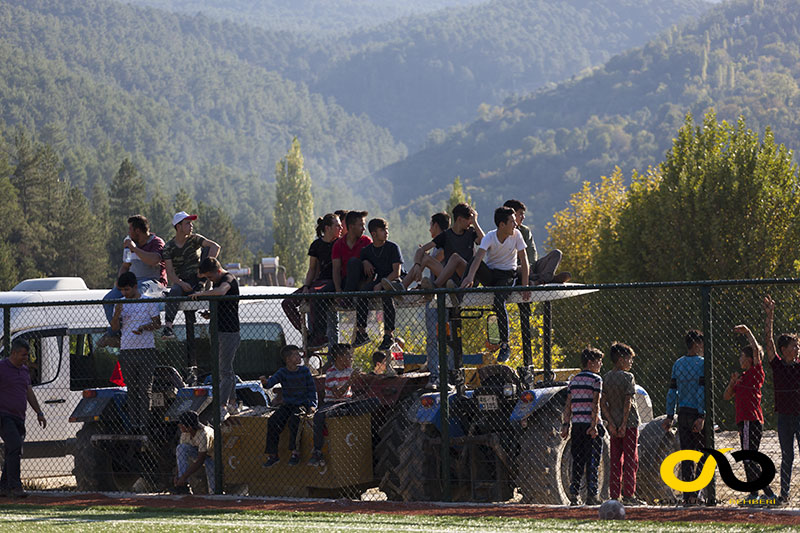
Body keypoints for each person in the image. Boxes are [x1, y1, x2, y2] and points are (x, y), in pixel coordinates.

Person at [460, 206, 530, 362]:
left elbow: (524, 261)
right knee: (473, 261)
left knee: (499, 300)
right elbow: (478, 258)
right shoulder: (490, 237)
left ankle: (505, 344)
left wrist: (526, 286)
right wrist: (470, 276)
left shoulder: (517, 235)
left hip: (507, 276)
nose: (515, 224)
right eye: (512, 222)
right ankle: (461, 292)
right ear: (502, 225)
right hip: (492, 275)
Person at [723, 323, 778, 503]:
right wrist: (732, 383)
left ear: (750, 360)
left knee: (748, 457)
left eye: (742, 356)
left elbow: (756, 349)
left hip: (751, 420)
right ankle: (755, 493)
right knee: (749, 457)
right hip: (743, 422)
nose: (740, 359)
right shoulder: (742, 377)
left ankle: (766, 493)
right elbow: (726, 397)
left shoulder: (755, 373)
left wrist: (748, 332)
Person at [99, 215, 166, 347]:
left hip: (152, 283)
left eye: (130, 229)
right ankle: (117, 333)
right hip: (132, 282)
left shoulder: (156, 242)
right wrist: (120, 282)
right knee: (109, 300)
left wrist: (134, 248)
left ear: (137, 231)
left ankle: (118, 333)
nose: (128, 233)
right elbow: (125, 266)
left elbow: (154, 260)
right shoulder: (129, 246)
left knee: (137, 292)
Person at [281, 213, 343, 349]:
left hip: (332, 282)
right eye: (337, 226)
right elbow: (312, 268)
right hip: (318, 283)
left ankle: (320, 334)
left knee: (314, 295)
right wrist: (306, 286)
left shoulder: (340, 244)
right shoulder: (316, 245)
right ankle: (309, 335)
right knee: (287, 303)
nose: (341, 228)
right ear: (327, 228)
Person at [111, 272, 162, 431]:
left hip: (146, 350)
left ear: (134, 286)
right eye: (122, 290)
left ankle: (145, 425)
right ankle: (134, 424)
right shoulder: (119, 303)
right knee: (131, 390)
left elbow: (157, 324)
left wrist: (143, 328)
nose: (124, 293)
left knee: (145, 389)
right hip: (127, 350)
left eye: (127, 290)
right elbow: (114, 328)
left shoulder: (148, 301)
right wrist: (117, 313)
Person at [192, 257, 240, 422]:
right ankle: (233, 402)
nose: (209, 281)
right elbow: (223, 305)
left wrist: (201, 294)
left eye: (210, 277)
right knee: (225, 368)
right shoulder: (216, 281)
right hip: (218, 329)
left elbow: (221, 292)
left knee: (224, 371)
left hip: (229, 332)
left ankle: (222, 405)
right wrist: (211, 314)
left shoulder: (228, 279)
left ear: (218, 271)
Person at [661, 329, 706, 506]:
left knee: (687, 455)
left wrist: (670, 415)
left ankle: (688, 495)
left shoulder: (678, 364)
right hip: (696, 412)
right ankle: (698, 492)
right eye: (701, 343)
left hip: (683, 412)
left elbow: (672, 391)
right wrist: (701, 415)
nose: (702, 347)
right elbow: (702, 391)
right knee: (702, 455)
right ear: (696, 344)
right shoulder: (702, 364)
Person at [763, 295, 800, 504]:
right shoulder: (777, 365)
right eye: (793, 346)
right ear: (784, 350)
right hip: (785, 417)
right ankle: (784, 494)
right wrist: (770, 316)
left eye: (798, 346)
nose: (797, 349)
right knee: (788, 457)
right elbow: (768, 342)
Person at [161, 211, 221, 338]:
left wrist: (204, 269)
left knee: (207, 251)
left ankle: (203, 293)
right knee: (175, 291)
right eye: (187, 223)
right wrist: (181, 284)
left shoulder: (195, 239)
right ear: (178, 227)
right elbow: (170, 272)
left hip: (200, 280)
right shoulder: (168, 247)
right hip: (183, 282)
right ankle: (168, 328)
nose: (191, 226)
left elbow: (215, 247)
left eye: (191, 223)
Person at [0, 339, 46, 498]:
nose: (26, 358)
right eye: (23, 354)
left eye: (27, 355)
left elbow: (29, 393)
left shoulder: (24, 371)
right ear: (13, 353)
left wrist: (39, 412)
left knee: (13, 450)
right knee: (15, 445)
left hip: (19, 416)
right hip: (4, 416)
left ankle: (3, 487)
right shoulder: (2, 368)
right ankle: (15, 486)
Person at [349, 218, 403, 350]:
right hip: (378, 281)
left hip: (393, 281)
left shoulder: (392, 247)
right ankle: (361, 333)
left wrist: (382, 284)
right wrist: (364, 262)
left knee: (386, 293)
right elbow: (364, 268)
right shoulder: (367, 251)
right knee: (363, 293)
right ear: (373, 233)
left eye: (386, 229)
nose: (386, 232)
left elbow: (397, 272)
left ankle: (388, 335)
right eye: (383, 230)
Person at [260, 345, 318, 467]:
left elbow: (312, 390)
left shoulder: (304, 371)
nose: (299, 356)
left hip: (301, 404)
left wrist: (312, 405)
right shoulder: (282, 372)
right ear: (288, 359)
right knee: (273, 421)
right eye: (295, 354)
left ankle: (295, 452)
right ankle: (273, 455)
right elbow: (270, 383)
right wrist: (265, 382)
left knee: (295, 420)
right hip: (288, 405)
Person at [561, 347, 604, 506]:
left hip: (577, 425)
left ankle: (574, 494)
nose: (600, 364)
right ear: (590, 362)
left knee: (577, 460)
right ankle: (592, 495)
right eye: (598, 361)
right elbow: (596, 404)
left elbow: (568, 405)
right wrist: (594, 426)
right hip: (590, 425)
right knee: (593, 461)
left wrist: (566, 424)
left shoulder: (574, 380)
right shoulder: (596, 380)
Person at [602, 342, 643, 506]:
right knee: (631, 459)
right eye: (628, 359)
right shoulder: (628, 377)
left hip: (613, 423)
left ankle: (614, 494)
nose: (630, 362)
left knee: (615, 459)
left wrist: (611, 423)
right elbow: (628, 400)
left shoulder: (606, 378)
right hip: (629, 423)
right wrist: (625, 423)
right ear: (620, 359)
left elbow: (603, 402)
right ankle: (629, 494)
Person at [309, 344, 361, 466]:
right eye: (348, 355)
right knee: (319, 416)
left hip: (347, 401)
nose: (351, 358)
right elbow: (337, 394)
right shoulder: (331, 373)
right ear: (339, 357)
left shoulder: (349, 370)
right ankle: (317, 451)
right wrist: (351, 380)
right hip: (333, 402)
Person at [503, 199, 570, 285]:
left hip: (531, 268)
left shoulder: (525, 231)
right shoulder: (502, 232)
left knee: (556, 254)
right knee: (520, 269)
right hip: (516, 269)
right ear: (512, 215)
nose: (523, 217)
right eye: (521, 214)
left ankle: (538, 280)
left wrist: (530, 267)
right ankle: (548, 279)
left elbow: (532, 253)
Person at [383, 212, 449, 291]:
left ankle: (403, 285)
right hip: (437, 278)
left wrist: (424, 258)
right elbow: (422, 252)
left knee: (424, 258)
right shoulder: (436, 244)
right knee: (423, 257)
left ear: (435, 226)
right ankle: (404, 285)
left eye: (430, 225)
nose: (429, 229)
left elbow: (438, 258)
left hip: (446, 279)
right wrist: (418, 264)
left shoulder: (446, 240)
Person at [173, 410, 215, 494]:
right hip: (197, 452)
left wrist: (184, 476)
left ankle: (214, 492)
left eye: (181, 424)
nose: (179, 425)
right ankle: (183, 486)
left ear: (189, 427)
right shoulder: (185, 434)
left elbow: (201, 460)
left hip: (211, 455)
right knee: (181, 447)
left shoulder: (203, 434)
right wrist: (177, 475)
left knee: (210, 466)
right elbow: (181, 454)